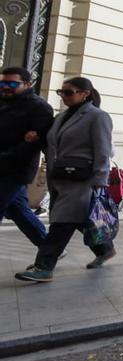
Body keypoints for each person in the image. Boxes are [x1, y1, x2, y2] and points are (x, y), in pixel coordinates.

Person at [15, 78, 115, 282]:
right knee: (78, 218)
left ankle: (44, 266)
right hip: (60, 176)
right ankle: (105, 249)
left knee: (62, 222)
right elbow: (53, 144)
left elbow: (103, 150)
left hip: (83, 179)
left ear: (85, 94)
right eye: (61, 92)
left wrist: (100, 179)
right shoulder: (61, 117)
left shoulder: (98, 117)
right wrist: (37, 139)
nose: (63, 96)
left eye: (69, 92)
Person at [0, 65, 54, 248]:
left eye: (12, 84)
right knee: (17, 210)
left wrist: (5, 156)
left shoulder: (39, 107)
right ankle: (49, 249)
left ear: (28, 84)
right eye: (3, 83)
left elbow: (34, 143)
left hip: (15, 170)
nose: (6, 87)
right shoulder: (3, 101)